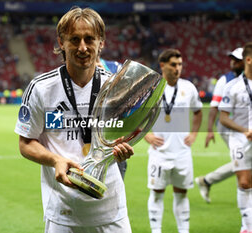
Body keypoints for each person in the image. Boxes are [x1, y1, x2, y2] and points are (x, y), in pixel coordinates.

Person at [15, 7, 134, 232]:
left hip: (110, 209)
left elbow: (122, 134)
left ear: (101, 43)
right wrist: (55, 160)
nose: (82, 47)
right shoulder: (41, 88)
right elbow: (26, 143)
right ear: (61, 42)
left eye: (90, 39)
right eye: (74, 39)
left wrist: (122, 147)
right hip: (63, 211)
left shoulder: (116, 87)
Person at [144, 49, 202, 233]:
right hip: (159, 154)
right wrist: (147, 135)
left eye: (180, 64)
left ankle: (183, 231)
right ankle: (156, 231)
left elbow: (198, 112)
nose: (178, 68)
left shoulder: (188, 87)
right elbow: (137, 116)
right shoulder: (152, 88)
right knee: (157, 193)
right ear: (162, 66)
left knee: (182, 193)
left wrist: (193, 134)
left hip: (182, 153)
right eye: (174, 65)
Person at [196, 47, 244, 203]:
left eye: (237, 60)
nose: (233, 63)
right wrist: (210, 130)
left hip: (244, 127)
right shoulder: (225, 80)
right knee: (243, 160)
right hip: (227, 126)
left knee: (244, 161)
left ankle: (207, 181)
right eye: (232, 60)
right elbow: (214, 106)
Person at [219, 42, 252, 233]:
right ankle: (246, 227)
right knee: (244, 182)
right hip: (240, 140)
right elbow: (224, 118)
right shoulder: (232, 86)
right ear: (249, 60)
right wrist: (244, 130)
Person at [96, 56, 128, 179]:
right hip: (87, 137)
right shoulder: (78, 71)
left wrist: (106, 76)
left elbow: (127, 95)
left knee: (115, 188)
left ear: (101, 43)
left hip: (113, 138)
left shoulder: (116, 67)